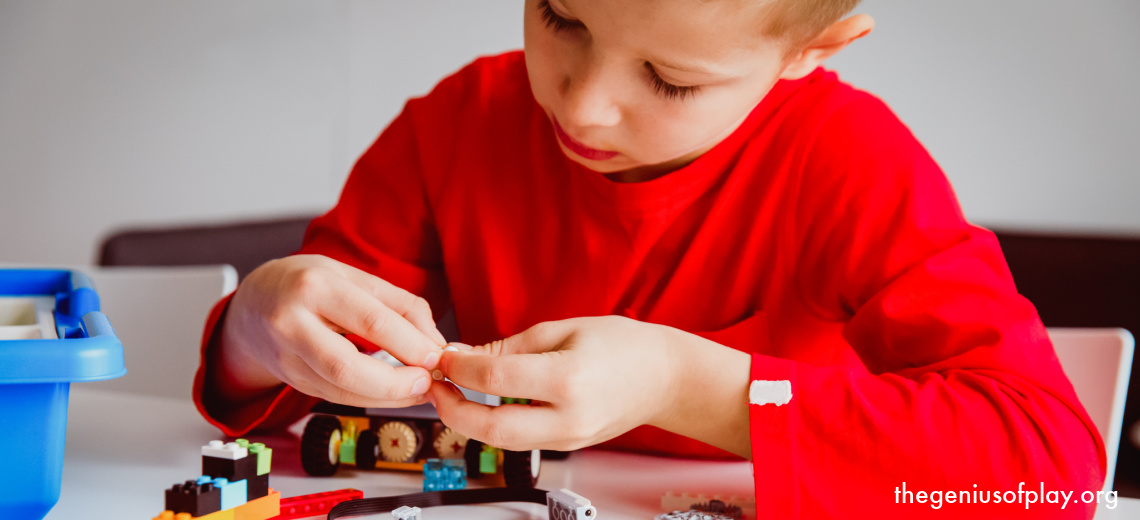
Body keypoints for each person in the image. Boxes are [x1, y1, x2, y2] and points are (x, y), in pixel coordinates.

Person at [194, 0, 1104, 516]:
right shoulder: (456, 125)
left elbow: (1048, 468)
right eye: (560, 15)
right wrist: (257, 326)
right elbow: (288, 404)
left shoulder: (849, 164)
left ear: (808, 51)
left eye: (671, 79)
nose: (583, 106)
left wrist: (693, 386)